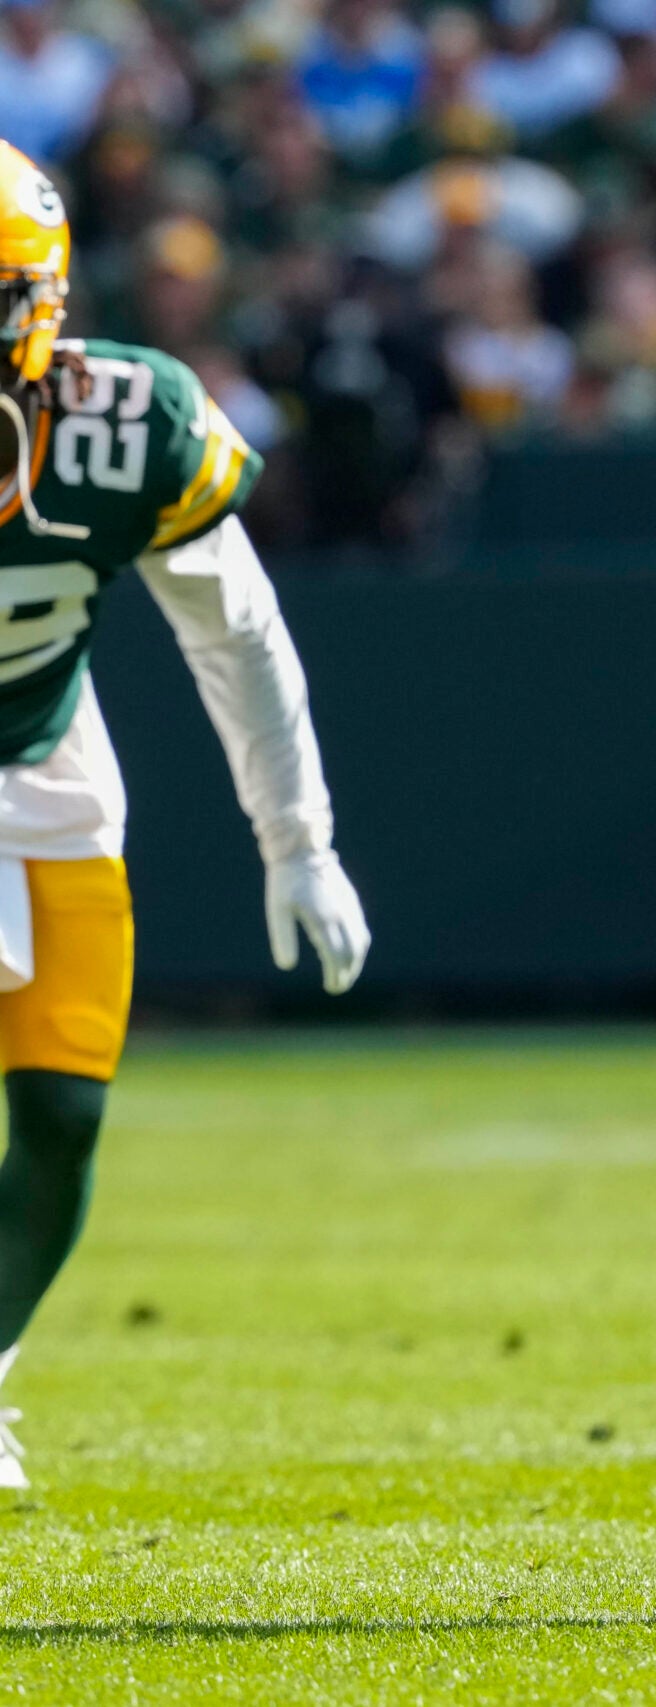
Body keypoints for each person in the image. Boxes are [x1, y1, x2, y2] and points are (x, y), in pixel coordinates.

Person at [0, 142, 371, 1487]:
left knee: (62, 1118)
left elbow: (240, 634)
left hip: (42, 773)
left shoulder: (123, 420)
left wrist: (299, 837)